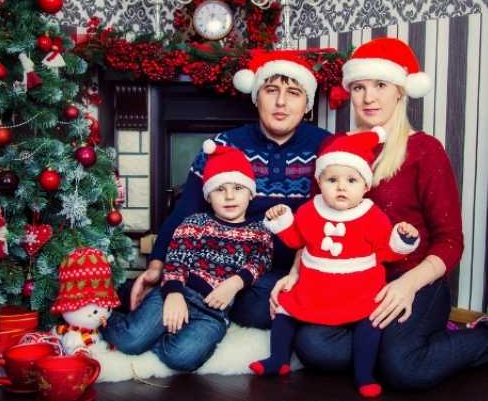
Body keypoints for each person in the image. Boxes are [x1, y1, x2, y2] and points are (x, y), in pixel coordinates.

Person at [270, 37, 488, 390]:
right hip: (348, 282)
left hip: (412, 277)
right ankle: (388, 346)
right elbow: (314, 218)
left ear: (400, 91)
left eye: (380, 85)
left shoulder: (425, 150)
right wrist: (296, 272)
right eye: (359, 87)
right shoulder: (333, 147)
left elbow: (450, 241)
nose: (368, 97)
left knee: (404, 370)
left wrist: (407, 285)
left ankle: (479, 337)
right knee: (314, 346)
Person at [107, 48, 331, 357]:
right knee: (255, 306)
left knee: (275, 306)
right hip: (225, 265)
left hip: (291, 268)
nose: (281, 102)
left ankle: (200, 311)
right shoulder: (224, 145)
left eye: (293, 93)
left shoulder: (325, 146)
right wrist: (156, 265)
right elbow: (186, 211)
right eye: (271, 90)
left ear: (307, 103)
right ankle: (161, 301)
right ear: (257, 97)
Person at [249, 127, 420, 398]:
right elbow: (296, 240)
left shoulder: (372, 216)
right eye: (332, 180)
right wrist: (282, 221)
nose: (341, 186)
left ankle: (364, 375)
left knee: (370, 322)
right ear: (320, 181)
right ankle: (278, 359)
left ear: (365, 186)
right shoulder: (310, 210)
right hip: (314, 286)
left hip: (359, 289)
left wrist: (403, 239)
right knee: (284, 309)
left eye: (351, 180)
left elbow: (388, 252)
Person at [102, 141, 273, 371]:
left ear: (251, 193)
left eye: (238, 188)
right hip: (177, 292)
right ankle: (102, 315)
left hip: (213, 313)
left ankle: (157, 338)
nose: (229, 196)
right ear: (208, 196)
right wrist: (174, 293)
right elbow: (176, 259)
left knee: (183, 357)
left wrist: (235, 282)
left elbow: (261, 260)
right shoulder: (196, 222)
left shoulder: (258, 232)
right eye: (220, 189)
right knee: (131, 340)